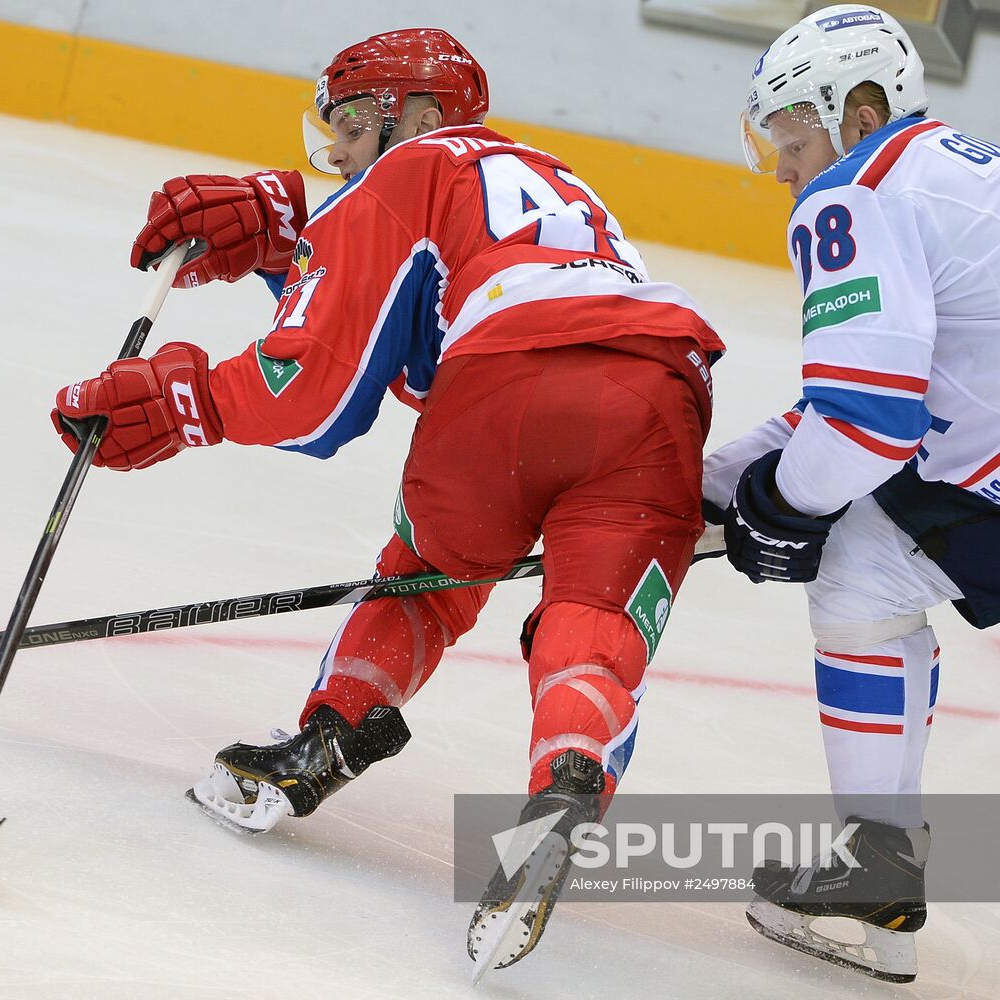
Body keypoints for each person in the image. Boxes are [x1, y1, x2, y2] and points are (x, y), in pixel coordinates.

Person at [50, 28, 725, 975]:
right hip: (660, 389)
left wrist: (182, 399)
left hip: (501, 392)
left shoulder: (403, 171)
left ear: (407, 117)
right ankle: (566, 781)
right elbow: (419, 332)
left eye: (348, 131)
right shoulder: (550, 176)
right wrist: (286, 242)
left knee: (429, 578)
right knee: (593, 610)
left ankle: (333, 732)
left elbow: (317, 395)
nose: (337, 157)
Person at [710, 2, 1000, 983]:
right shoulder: (930, 172)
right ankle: (872, 878)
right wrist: (709, 490)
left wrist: (780, 507)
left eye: (791, 141)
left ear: (858, 110)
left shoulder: (856, 193)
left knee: (844, 552)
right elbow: (847, 410)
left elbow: (862, 426)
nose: (785, 170)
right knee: (860, 580)